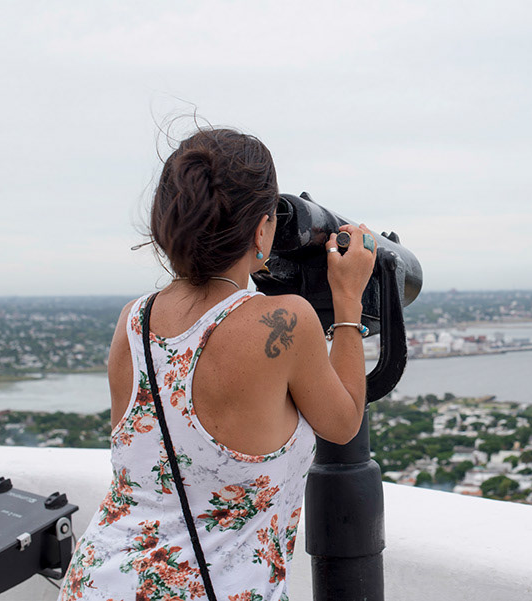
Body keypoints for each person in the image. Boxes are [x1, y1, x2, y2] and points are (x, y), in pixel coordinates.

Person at [59, 128, 377, 601]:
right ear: (261, 230)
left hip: (98, 581)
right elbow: (343, 422)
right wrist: (347, 300)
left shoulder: (134, 321)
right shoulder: (284, 320)